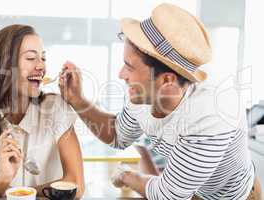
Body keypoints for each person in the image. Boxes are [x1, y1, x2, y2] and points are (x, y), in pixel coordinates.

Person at [58, 3, 261, 200]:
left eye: (129, 67)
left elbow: (168, 195)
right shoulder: (145, 92)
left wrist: (126, 176)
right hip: (189, 191)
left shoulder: (212, 112)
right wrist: (77, 100)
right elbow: (118, 134)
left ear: (166, 80)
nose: (121, 74)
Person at [0, 24, 85, 197]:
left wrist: (17, 194)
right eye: (30, 58)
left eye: (43, 58)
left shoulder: (55, 108)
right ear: (4, 65)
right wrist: (4, 179)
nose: (41, 66)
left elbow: (76, 185)